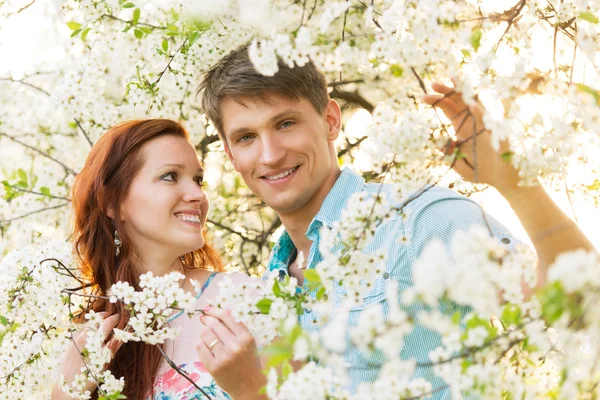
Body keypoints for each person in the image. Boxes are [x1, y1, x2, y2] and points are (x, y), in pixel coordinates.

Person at [197, 45, 595, 397]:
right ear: (231, 156)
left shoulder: (418, 220)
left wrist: (515, 183)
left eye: (286, 123)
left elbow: (580, 304)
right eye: (246, 137)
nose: (269, 155)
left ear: (331, 121)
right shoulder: (273, 286)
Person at [51, 120, 267, 400]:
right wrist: (65, 394)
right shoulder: (90, 335)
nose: (198, 195)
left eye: (198, 180)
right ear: (111, 203)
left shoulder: (242, 299)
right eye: (170, 176)